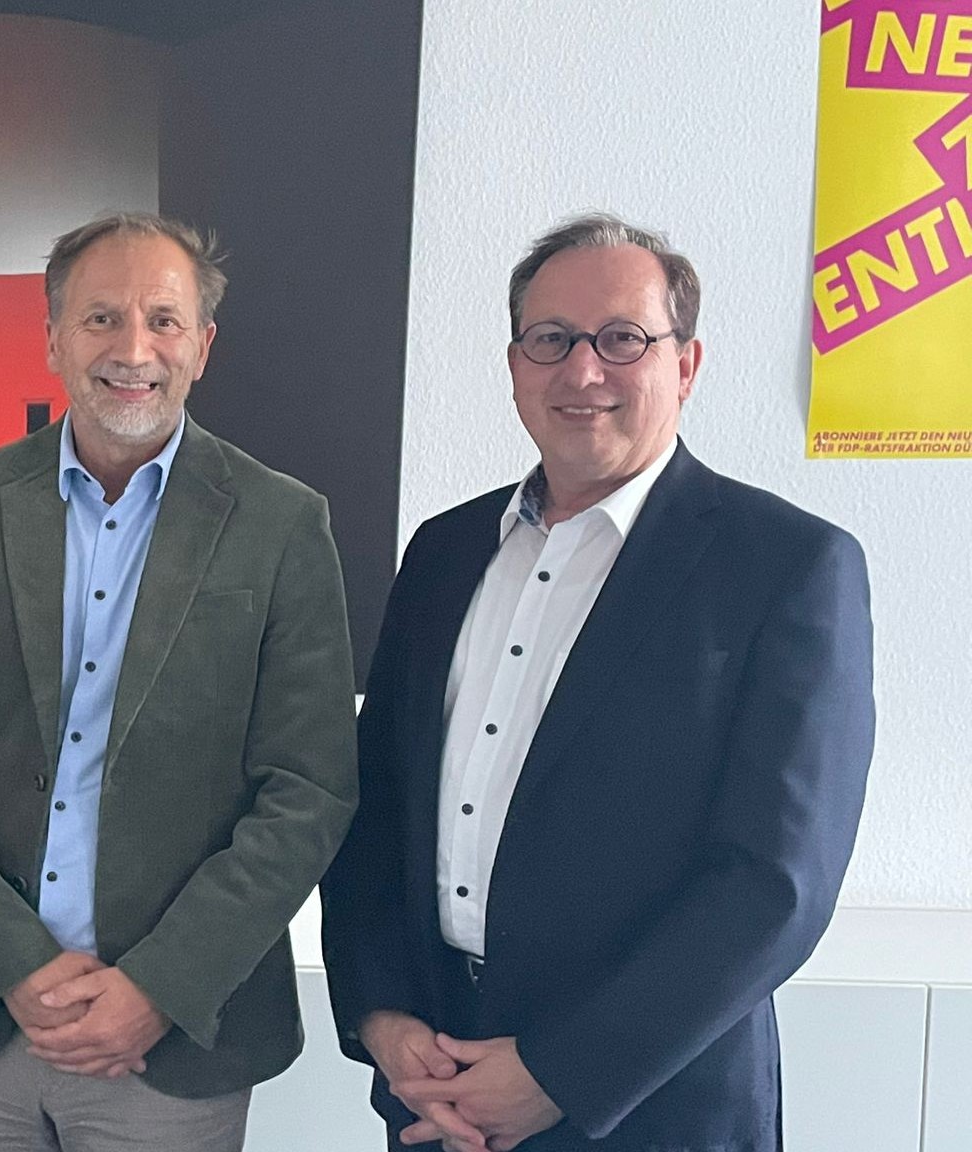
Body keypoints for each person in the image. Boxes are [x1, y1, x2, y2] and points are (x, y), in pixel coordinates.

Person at [320, 212, 875, 1151]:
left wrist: (558, 1075)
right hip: (436, 1088)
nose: (582, 372)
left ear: (686, 364)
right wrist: (382, 1018)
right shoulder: (444, 552)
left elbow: (774, 885)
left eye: (623, 339)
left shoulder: (786, 566)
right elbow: (375, 808)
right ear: (515, 365)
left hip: (648, 1102)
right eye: (551, 339)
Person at [0, 212, 359, 1151]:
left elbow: (309, 790)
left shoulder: (282, 524)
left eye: (163, 321)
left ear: (202, 346)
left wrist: (159, 987)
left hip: (173, 1041)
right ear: (53, 338)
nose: (133, 350)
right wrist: (15, 962)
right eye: (101, 318)